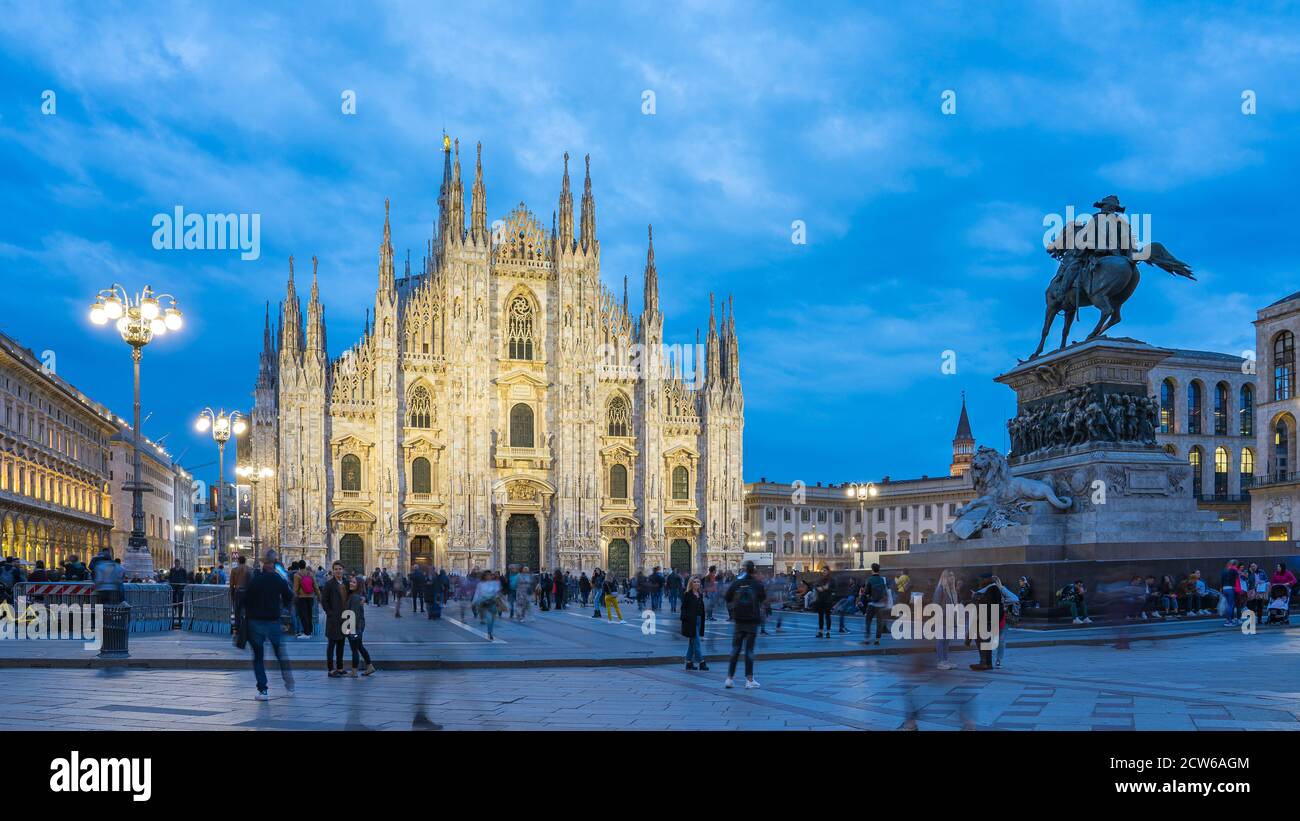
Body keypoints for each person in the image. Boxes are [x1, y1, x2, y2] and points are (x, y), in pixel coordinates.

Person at [243, 550, 295, 701]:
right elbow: (289, 595)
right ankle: (290, 685)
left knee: (258, 657)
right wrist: (283, 608)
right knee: (280, 655)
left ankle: (263, 690)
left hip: (256, 622)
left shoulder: (255, 579)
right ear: (273, 564)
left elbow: (245, 599)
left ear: (263, 564)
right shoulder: (278, 579)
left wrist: (250, 612)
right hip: (273, 621)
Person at [723, 561, 766, 689]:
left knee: (735, 649)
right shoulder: (757, 584)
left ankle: (729, 679)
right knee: (749, 650)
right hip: (752, 621)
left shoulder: (737, 582)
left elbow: (727, 596)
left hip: (739, 620)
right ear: (754, 571)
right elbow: (762, 598)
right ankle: (749, 680)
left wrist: (734, 608)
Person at [321, 561, 350, 677]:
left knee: (341, 643)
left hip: (344, 617)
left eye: (340, 569)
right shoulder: (329, 584)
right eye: (336, 569)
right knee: (331, 644)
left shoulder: (346, 583)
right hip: (333, 618)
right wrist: (329, 613)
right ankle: (330, 669)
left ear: (343, 570)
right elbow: (324, 601)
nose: (338, 571)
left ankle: (340, 667)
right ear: (333, 571)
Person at [345, 575, 376, 676]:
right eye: (351, 581)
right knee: (360, 647)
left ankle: (354, 672)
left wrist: (349, 629)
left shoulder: (355, 597)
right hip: (358, 626)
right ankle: (370, 666)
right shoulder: (357, 595)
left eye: (354, 582)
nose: (351, 583)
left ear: (358, 585)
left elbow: (354, 615)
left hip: (354, 626)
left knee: (355, 648)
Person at [934, 569, 959, 670]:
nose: (952, 578)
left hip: (950, 618)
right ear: (945, 577)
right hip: (942, 618)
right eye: (949, 576)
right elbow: (935, 605)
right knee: (941, 640)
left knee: (947, 640)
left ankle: (945, 660)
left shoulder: (952, 590)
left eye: (953, 575)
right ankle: (940, 662)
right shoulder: (940, 589)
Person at [681, 576, 708, 670]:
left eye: (698, 582)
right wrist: (685, 620)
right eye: (695, 582)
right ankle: (701, 662)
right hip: (691, 621)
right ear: (691, 583)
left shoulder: (699, 594)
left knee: (692, 643)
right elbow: (683, 608)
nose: (697, 583)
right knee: (696, 641)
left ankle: (688, 662)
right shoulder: (687, 594)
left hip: (699, 620)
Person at [861, 563, 890, 645]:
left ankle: (867, 639)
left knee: (868, 621)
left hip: (872, 604)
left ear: (872, 570)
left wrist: (862, 599)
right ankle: (877, 640)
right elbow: (885, 591)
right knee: (879, 622)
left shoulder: (870, 579)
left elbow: (866, 592)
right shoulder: (882, 579)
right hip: (881, 604)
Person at [474, 570, 503, 640]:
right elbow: (477, 593)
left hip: (493, 601)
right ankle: (490, 633)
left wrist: (498, 598)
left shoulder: (496, 583)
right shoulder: (480, 584)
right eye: (486, 575)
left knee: (492, 619)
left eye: (489, 575)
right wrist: (474, 602)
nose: (488, 576)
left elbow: (497, 593)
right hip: (484, 602)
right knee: (489, 618)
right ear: (484, 576)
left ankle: (490, 631)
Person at [293, 562, 316, 638]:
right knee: (309, 614)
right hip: (311, 596)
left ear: (299, 566)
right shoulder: (311, 574)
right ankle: (310, 631)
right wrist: (319, 596)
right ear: (305, 565)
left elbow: (296, 588)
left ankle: (307, 633)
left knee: (303, 615)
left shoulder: (297, 575)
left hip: (302, 597)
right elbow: (315, 586)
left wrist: (295, 597)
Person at [229, 554, 251, 634]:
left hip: (238, 592)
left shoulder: (234, 570)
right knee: (248, 610)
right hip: (248, 592)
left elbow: (231, 584)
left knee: (237, 611)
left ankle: (238, 628)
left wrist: (232, 593)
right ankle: (248, 627)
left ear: (238, 561)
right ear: (245, 561)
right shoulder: (249, 569)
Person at [812, 567, 835, 638]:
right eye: (823, 571)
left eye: (825, 570)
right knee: (820, 616)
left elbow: (834, 589)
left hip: (828, 600)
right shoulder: (820, 579)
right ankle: (821, 632)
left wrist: (827, 588)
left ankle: (828, 632)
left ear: (828, 571)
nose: (823, 572)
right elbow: (815, 585)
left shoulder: (831, 580)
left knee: (828, 616)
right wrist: (819, 588)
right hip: (820, 600)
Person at [1220, 560, 1241, 625]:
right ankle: (1229, 621)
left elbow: (1221, 580)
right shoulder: (1234, 570)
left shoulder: (1223, 571)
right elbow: (1237, 579)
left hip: (1224, 588)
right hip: (1231, 588)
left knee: (1227, 605)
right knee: (1230, 605)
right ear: (1235, 564)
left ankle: (1227, 620)